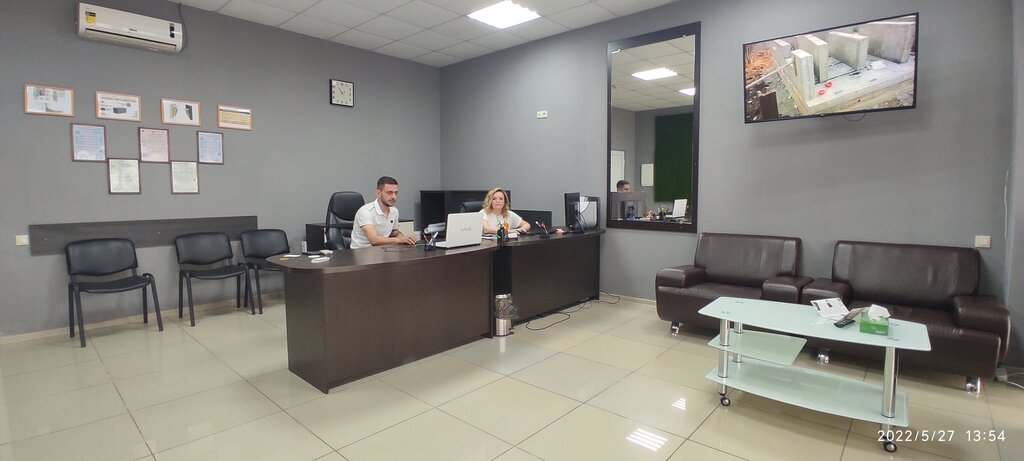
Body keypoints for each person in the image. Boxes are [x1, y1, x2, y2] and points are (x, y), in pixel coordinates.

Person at [349, 176, 417, 249]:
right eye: (389, 193)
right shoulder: (366, 211)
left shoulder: (394, 211)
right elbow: (374, 240)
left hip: (382, 250)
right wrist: (399, 240)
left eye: (396, 193)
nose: (394, 197)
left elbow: (394, 232)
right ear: (378, 193)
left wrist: (404, 238)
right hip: (361, 251)